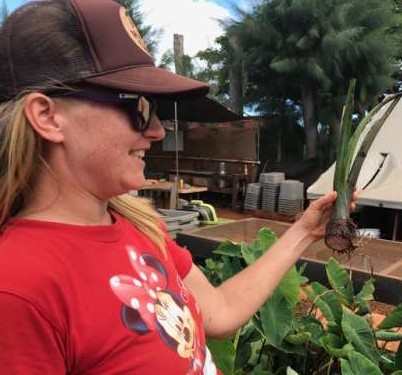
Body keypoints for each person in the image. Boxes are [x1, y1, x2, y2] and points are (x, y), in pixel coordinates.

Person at [0, 0, 355, 373]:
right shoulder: (18, 286)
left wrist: (304, 231)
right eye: (138, 107)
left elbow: (218, 311)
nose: (157, 130)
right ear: (47, 117)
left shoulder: (136, 225)